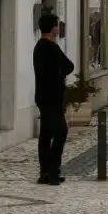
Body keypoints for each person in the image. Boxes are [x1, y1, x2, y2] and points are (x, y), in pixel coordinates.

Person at [30, 13, 74, 184]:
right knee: (60, 132)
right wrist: (59, 74)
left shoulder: (38, 47)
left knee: (45, 134)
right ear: (54, 28)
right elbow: (69, 66)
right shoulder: (52, 47)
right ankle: (53, 171)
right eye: (57, 26)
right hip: (54, 97)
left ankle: (45, 172)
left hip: (42, 96)